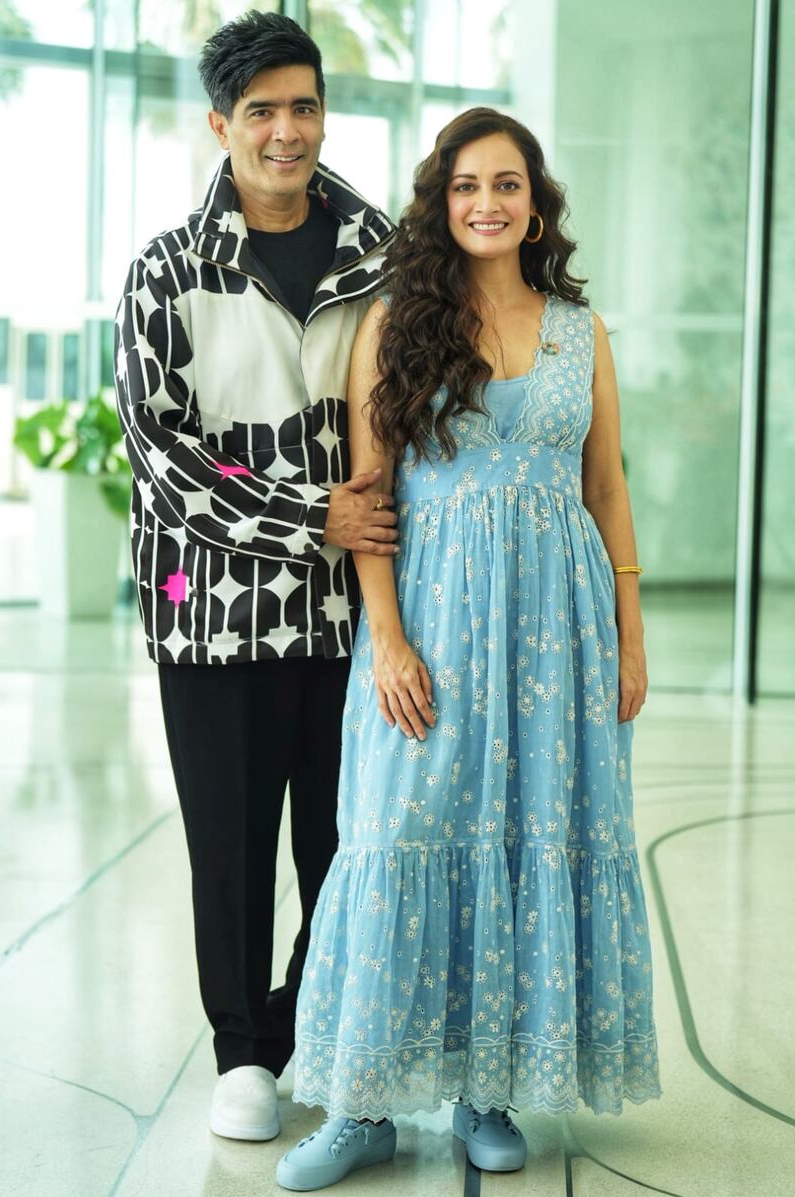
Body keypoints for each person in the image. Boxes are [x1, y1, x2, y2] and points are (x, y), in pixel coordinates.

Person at [276, 107, 661, 1191]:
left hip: (559, 626)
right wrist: (386, 637)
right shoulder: (396, 322)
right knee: (400, 828)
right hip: (434, 622)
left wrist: (629, 636)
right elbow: (368, 491)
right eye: (464, 186)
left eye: (505, 183)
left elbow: (605, 486)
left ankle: (483, 1089)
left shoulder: (580, 333)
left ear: (534, 202)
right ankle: (357, 1106)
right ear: (439, 205)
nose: (485, 202)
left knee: (523, 832)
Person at [113, 11, 398, 1143]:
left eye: (304, 107)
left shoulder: (383, 254)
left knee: (346, 839)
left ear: (324, 113)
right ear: (221, 124)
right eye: (262, 112)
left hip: (352, 616)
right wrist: (310, 512)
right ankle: (240, 1051)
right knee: (228, 846)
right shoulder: (166, 272)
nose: (287, 132)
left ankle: (299, 1024)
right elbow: (163, 456)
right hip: (214, 619)